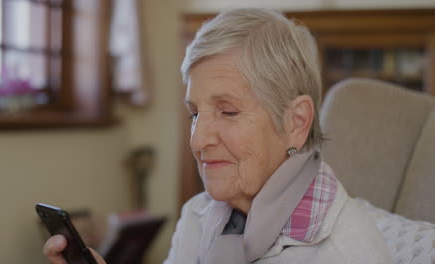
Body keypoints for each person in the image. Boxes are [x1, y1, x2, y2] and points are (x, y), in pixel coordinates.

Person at [44, 8, 392, 264]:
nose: (197, 142)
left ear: (296, 123)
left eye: (228, 111)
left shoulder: (345, 252)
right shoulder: (198, 215)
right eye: (195, 114)